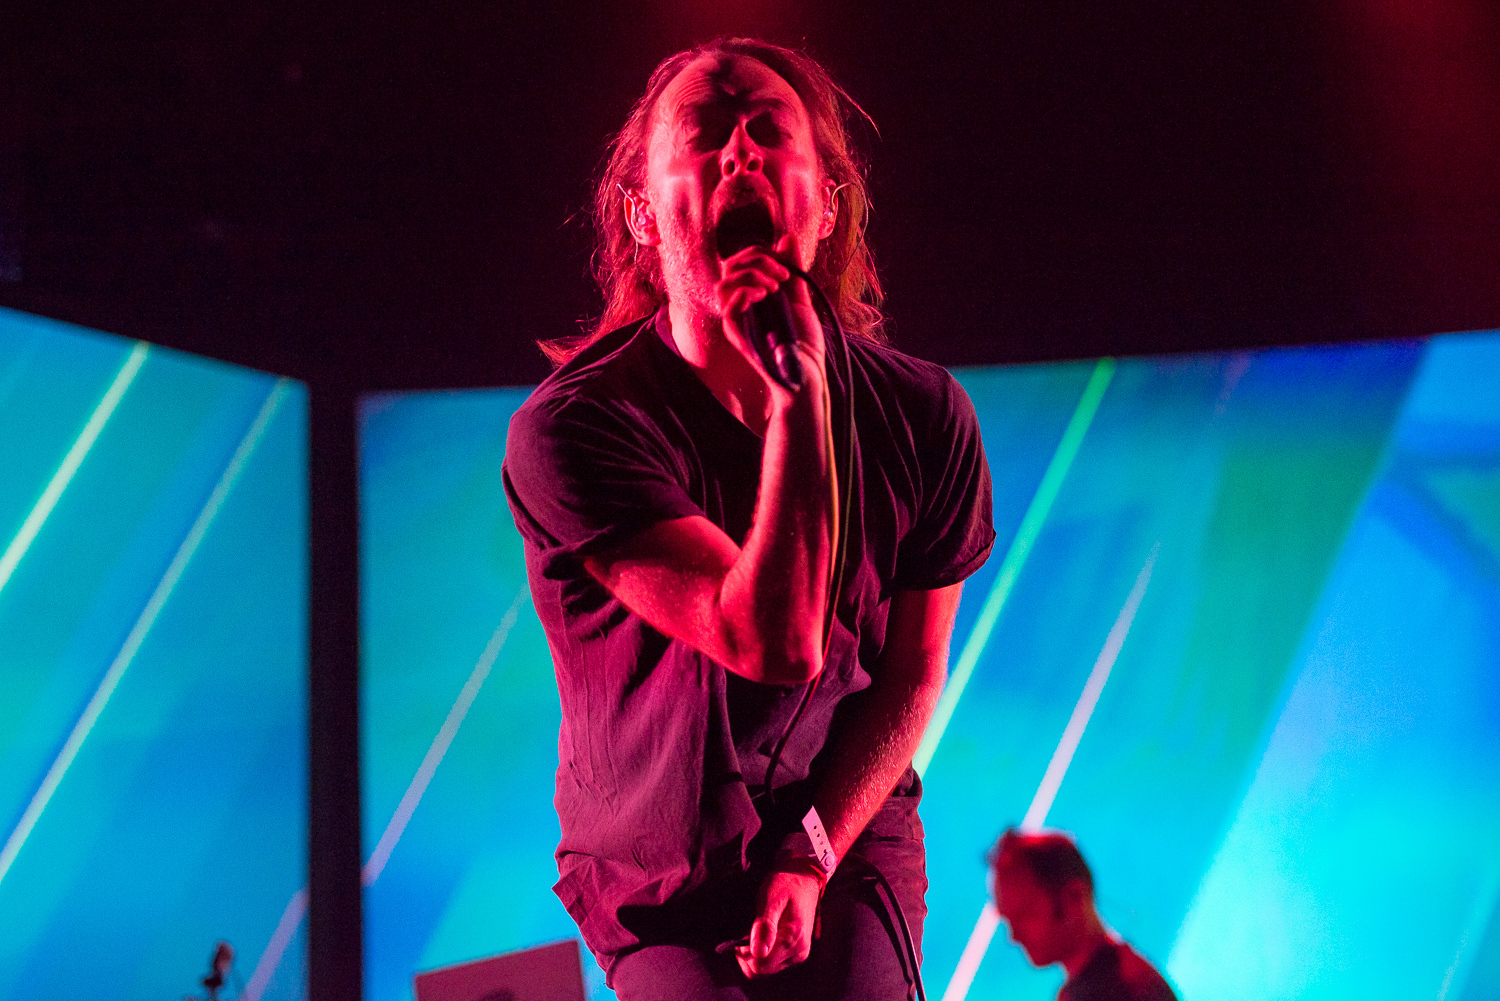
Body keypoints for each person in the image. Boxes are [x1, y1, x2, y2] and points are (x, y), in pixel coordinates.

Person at [503, 36, 994, 1000]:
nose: (740, 153)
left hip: (842, 829)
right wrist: (801, 392)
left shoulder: (927, 416)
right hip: (661, 870)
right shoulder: (573, 430)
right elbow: (769, 636)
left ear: (825, 204)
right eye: (704, 136)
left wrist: (810, 854)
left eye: (770, 132)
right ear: (643, 213)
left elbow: (912, 672)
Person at [990, 829, 1178, 1001]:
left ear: (1074, 897)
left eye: (1025, 914)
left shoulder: (1121, 988)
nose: (1014, 936)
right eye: (1008, 919)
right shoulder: (1121, 976)